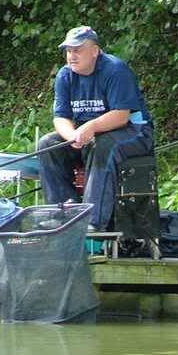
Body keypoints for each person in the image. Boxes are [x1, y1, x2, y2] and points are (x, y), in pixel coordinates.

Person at [38, 26, 154, 232]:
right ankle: (63, 214)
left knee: (103, 147)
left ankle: (92, 221)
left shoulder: (115, 70)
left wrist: (90, 127)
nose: (72, 56)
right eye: (68, 51)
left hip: (134, 131)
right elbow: (61, 117)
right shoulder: (65, 76)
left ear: (94, 51)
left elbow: (121, 115)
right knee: (48, 144)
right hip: (90, 133)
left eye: (78, 50)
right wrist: (72, 135)